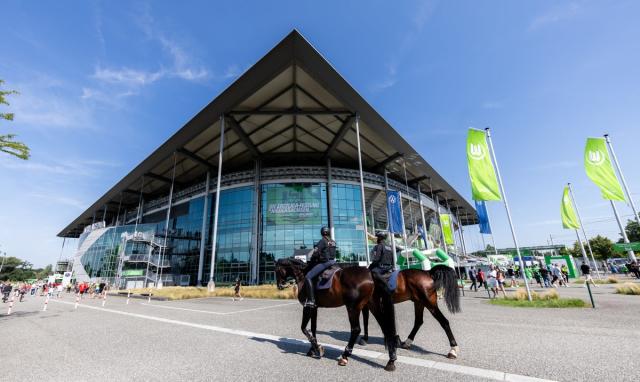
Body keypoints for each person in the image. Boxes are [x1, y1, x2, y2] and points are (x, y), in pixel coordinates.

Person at [302, 226, 337, 308]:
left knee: (308, 277)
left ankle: (311, 300)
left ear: (322, 233)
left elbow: (315, 253)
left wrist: (312, 259)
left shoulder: (322, 241)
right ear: (328, 232)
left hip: (325, 263)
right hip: (333, 262)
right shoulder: (333, 242)